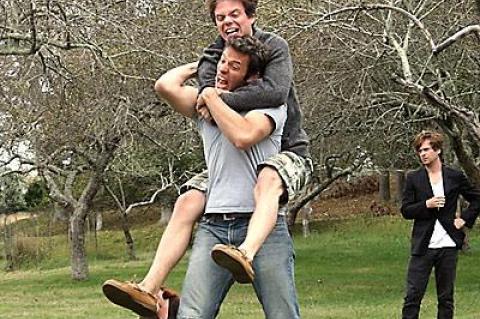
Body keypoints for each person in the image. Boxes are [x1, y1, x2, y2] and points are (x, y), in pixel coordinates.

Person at [104, 36, 300, 319]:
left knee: (283, 315)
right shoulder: (203, 107)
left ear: (252, 76)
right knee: (192, 315)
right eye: (222, 62)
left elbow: (242, 136)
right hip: (214, 228)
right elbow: (165, 85)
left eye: (234, 66)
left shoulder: (268, 109)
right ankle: (150, 291)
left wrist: (210, 95)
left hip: (264, 231)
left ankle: (245, 253)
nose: (222, 71)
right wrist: (203, 66)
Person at [400, 130, 480, 319]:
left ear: (437, 150)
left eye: (426, 149)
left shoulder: (454, 176)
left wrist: (464, 219)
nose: (423, 154)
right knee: (412, 296)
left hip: (448, 246)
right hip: (423, 246)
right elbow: (406, 210)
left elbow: (477, 199)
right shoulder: (414, 178)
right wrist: (425, 205)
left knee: (446, 298)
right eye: (420, 150)